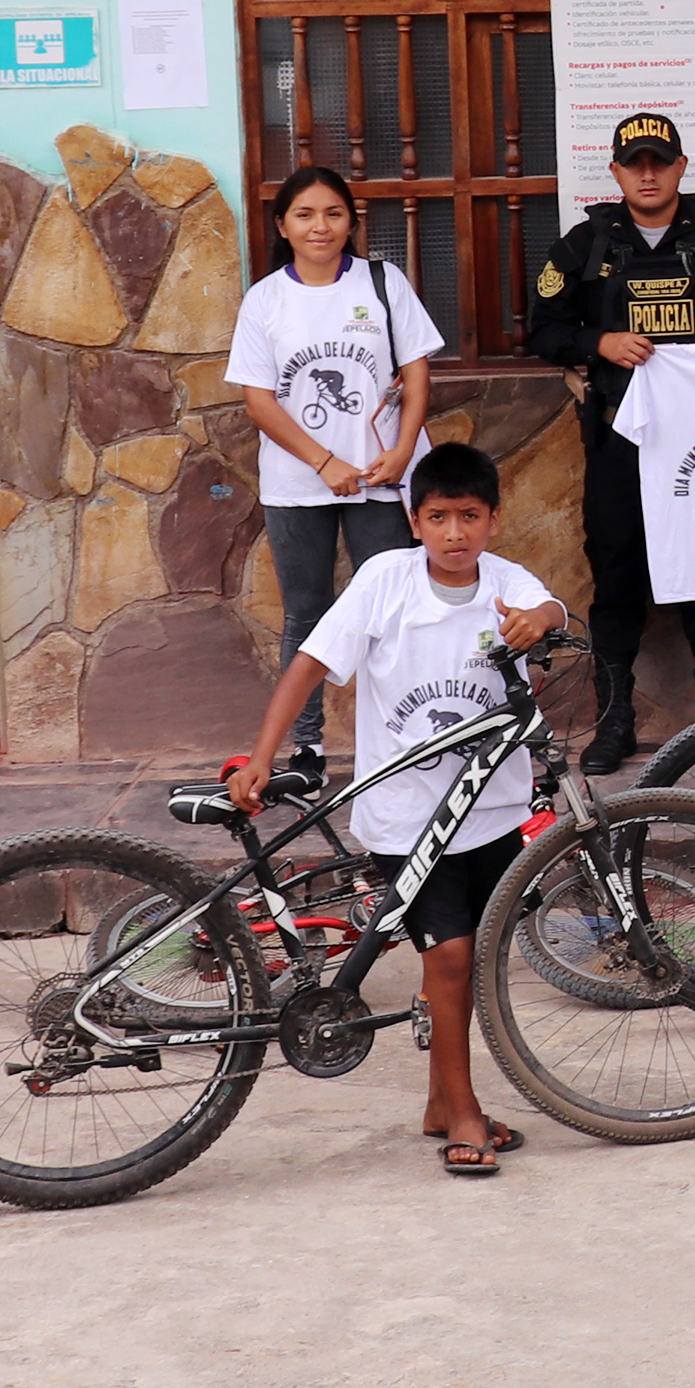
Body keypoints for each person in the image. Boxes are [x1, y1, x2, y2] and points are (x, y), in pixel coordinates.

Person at [224, 443, 562, 1179]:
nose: (453, 534)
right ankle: (463, 1113)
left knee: (469, 963)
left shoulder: (505, 584)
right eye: (437, 517)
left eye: (469, 517)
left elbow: (549, 605)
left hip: (493, 811)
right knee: (447, 955)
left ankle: (443, 1103)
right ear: (413, 521)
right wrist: (262, 754)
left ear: (494, 521)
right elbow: (309, 662)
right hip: (409, 816)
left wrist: (540, 616)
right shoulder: (386, 581)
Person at [526, 113, 695, 773]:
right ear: (617, 172)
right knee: (617, 574)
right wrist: (599, 343)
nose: (647, 173)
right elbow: (542, 329)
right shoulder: (586, 244)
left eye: (659, 161)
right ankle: (613, 721)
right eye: (634, 163)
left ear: (680, 167)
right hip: (621, 442)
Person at [225, 165, 439, 783]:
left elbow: (418, 374)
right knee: (308, 614)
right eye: (305, 215)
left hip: (380, 479)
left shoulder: (382, 283)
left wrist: (400, 454)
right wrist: (323, 463)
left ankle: (402, 736)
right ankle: (309, 748)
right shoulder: (265, 299)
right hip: (297, 487)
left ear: (350, 221)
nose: (321, 226)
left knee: (392, 610)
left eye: (333, 214)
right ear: (283, 227)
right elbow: (259, 401)